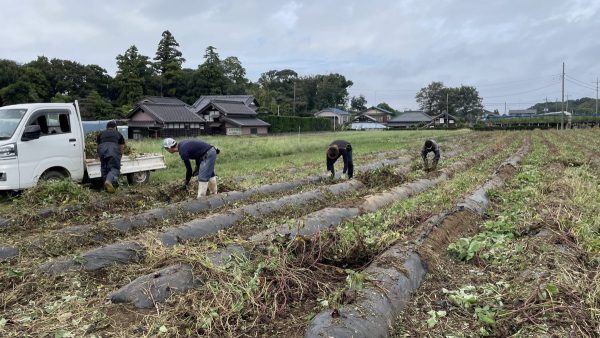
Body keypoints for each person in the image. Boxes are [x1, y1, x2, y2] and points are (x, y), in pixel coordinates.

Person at [97, 121, 125, 193]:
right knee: (114, 168)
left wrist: (100, 154)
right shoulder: (118, 133)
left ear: (107, 127)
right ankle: (108, 181)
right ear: (115, 127)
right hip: (112, 150)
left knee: (104, 168)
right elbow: (121, 146)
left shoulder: (101, 133)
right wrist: (120, 155)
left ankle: (104, 188)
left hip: (102, 150)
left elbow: (98, 145)